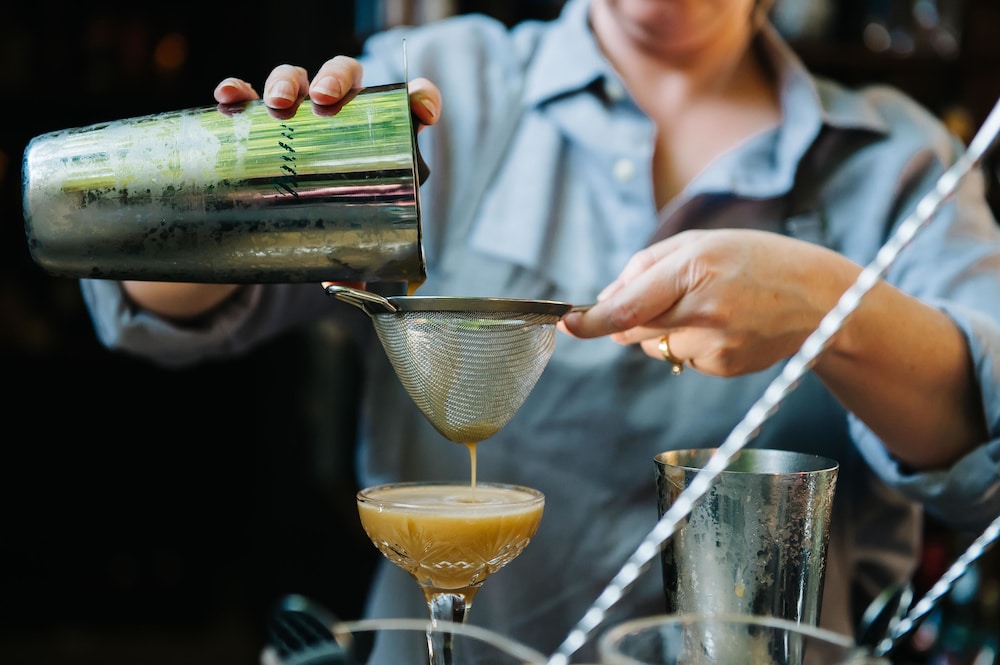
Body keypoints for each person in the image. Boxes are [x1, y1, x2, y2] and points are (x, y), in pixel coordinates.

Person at [81, 0, 1000, 661]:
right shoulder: (445, 90)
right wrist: (218, 182)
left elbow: (985, 463)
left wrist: (831, 309)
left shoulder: (894, 160)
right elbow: (161, 311)